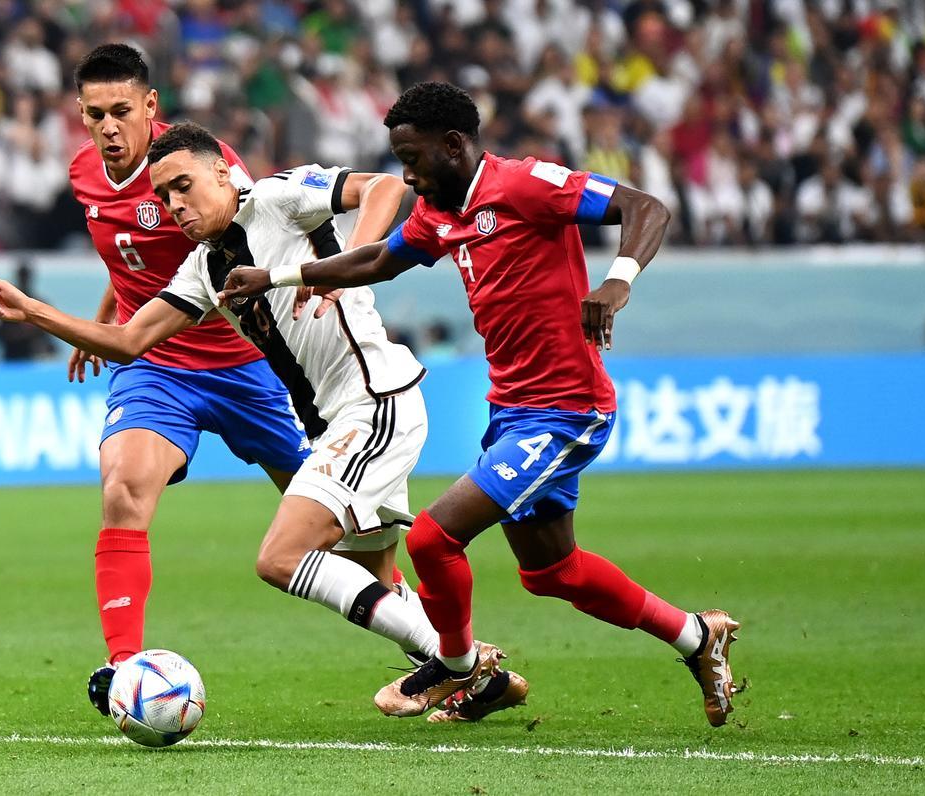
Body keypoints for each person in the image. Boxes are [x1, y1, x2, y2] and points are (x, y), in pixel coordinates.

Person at [219, 81, 741, 726]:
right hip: (514, 413)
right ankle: (697, 637)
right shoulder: (442, 213)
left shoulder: (525, 185)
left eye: (413, 160)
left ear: (455, 144)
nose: (407, 176)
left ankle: (458, 671)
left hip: (569, 410)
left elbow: (646, 206)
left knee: (434, 538)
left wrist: (616, 280)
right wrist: (276, 275)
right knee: (553, 573)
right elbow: (379, 258)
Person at [0, 121, 529, 720]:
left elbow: (385, 190)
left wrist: (348, 268)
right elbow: (130, 341)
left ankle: (460, 666)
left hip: (373, 401)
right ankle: (481, 676)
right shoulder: (205, 269)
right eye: (163, 197)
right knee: (374, 570)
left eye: (183, 186)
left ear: (221, 172)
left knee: (280, 557)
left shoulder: (282, 196)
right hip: (335, 423)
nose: (175, 205)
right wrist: (33, 311)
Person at [55, 44, 311, 718]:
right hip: (158, 366)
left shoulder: (198, 161)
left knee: (336, 522)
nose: (107, 127)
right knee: (123, 491)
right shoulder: (85, 173)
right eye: (93, 115)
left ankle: (431, 647)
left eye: (119, 111)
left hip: (247, 363)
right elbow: (127, 254)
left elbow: (261, 233)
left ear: (149, 108)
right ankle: (124, 675)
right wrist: (110, 312)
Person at [0, 261, 57, 361]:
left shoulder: (39, 303)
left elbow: (49, 333)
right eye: (23, 275)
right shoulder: (8, 302)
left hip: (33, 355)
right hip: (12, 352)